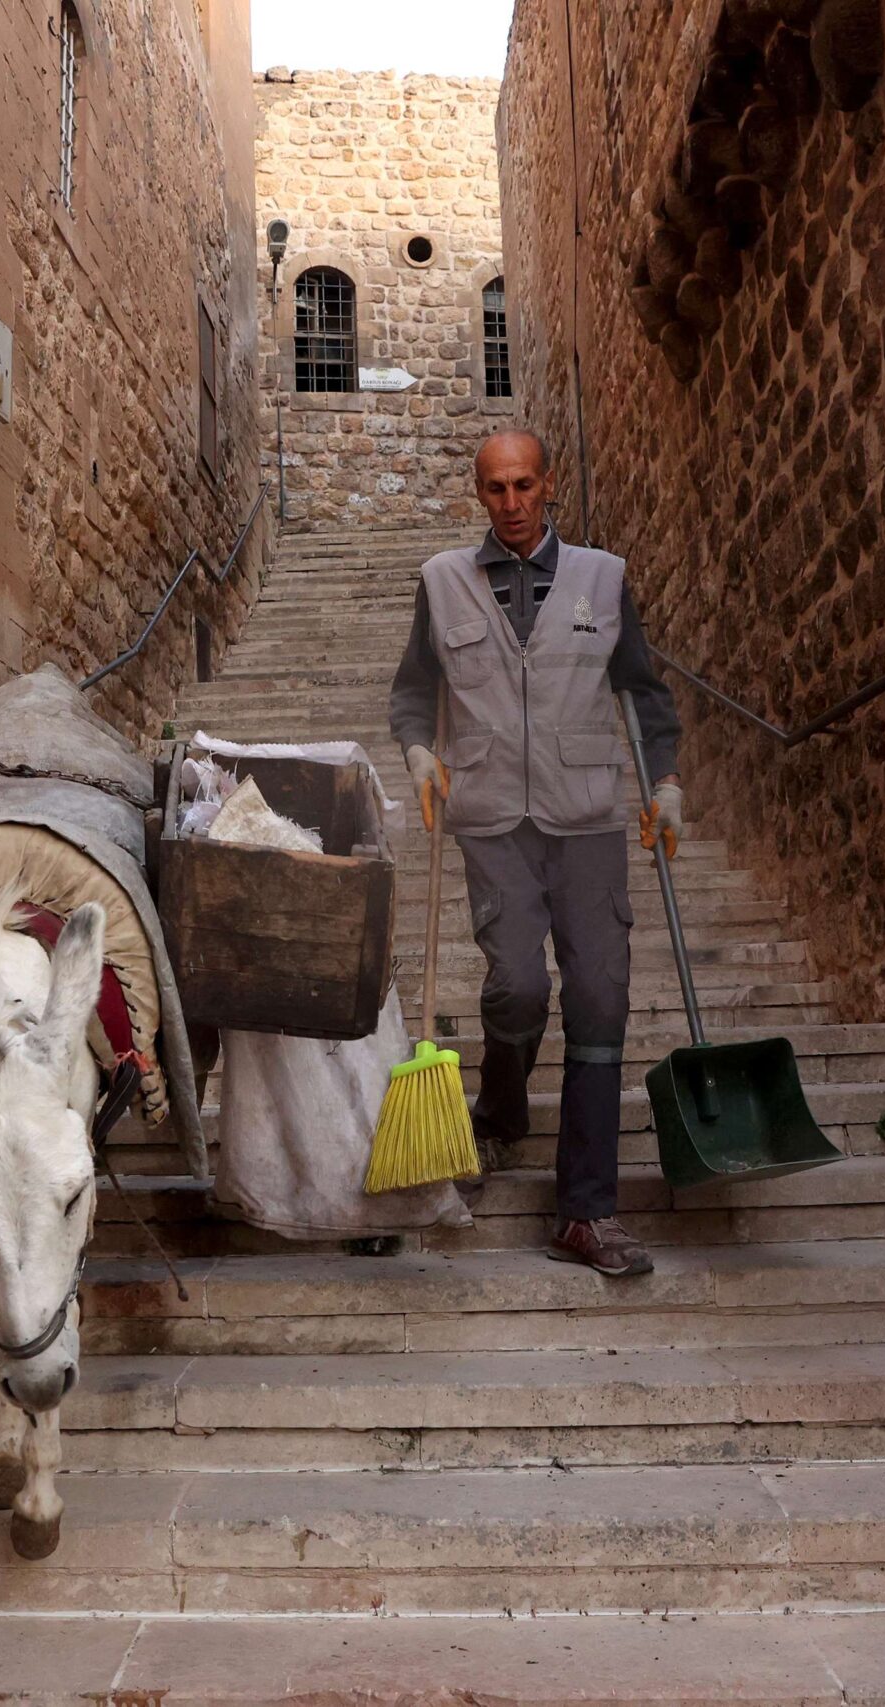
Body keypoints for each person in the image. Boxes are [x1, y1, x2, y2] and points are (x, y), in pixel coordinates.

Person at [387, 429, 685, 1278]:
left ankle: (585, 1211)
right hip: (490, 818)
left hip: (588, 817)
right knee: (516, 983)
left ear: (548, 484)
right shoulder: (443, 583)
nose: (511, 504)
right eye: (495, 489)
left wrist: (664, 783)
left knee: (598, 996)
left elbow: (644, 691)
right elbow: (414, 691)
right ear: (477, 493)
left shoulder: (605, 576)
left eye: (524, 486)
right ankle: (504, 1097)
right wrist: (417, 752)